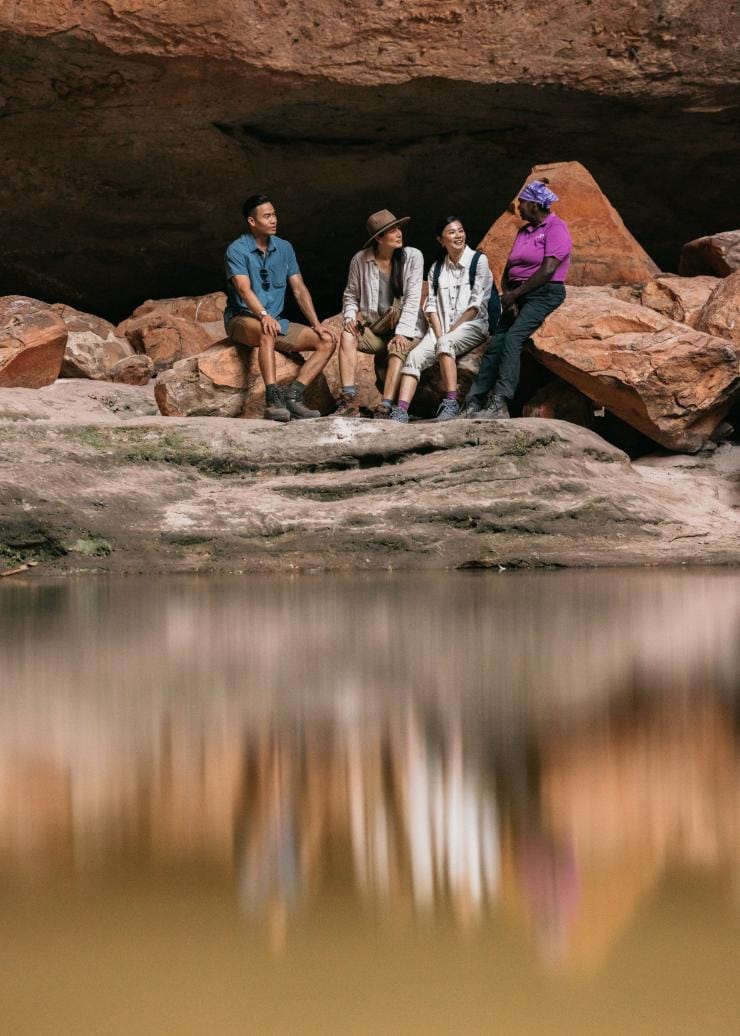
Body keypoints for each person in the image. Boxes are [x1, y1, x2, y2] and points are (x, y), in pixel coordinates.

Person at [464, 179, 572, 419]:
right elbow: (509, 268)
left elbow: (547, 271)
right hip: (517, 294)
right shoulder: (523, 231)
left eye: (522, 202)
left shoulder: (556, 228)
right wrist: (508, 295)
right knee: (496, 345)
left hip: (544, 293)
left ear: (535, 204)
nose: (518, 207)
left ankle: (500, 402)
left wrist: (516, 294)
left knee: (514, 338)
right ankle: (474, 402)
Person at [224, 194, 337, 422]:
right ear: (252, 221)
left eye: (274, 214)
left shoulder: (285, 248)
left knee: (327, 341)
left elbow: (299, 289)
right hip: (242, 319)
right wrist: (264, 315)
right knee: (267, 330)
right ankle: (273, 400)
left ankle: (293, 398)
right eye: (267, 216)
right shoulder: (236, 249)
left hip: (276, 322)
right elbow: (244, 290)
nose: (274, 220)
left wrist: (316, 324)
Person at [389, 216, 493, 423]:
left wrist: (449, 333)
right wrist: (438, 332)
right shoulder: (437, 268)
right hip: (441, 329)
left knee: (445, 343)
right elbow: (431, 305)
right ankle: (400, 411)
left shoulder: (478, 261)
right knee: (414, 357)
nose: (458, 236)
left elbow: (476, 304)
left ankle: (451, 403)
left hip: (472, 326)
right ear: (441, 240)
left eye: (460, 230)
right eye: (452, 232)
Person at [334, 209, 425, 419]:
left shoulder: (413, 257)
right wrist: (349, 318)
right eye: (391, 231)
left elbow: (412, 299)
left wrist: (402, 333)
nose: (399, 233)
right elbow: (350, 295)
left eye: (398, 228)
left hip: (408, 329)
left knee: (398, 346)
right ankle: (348, 400)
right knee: (347, 335)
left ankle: (385, 406)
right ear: (378, 238)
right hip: (378, 330)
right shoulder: (360, 260)